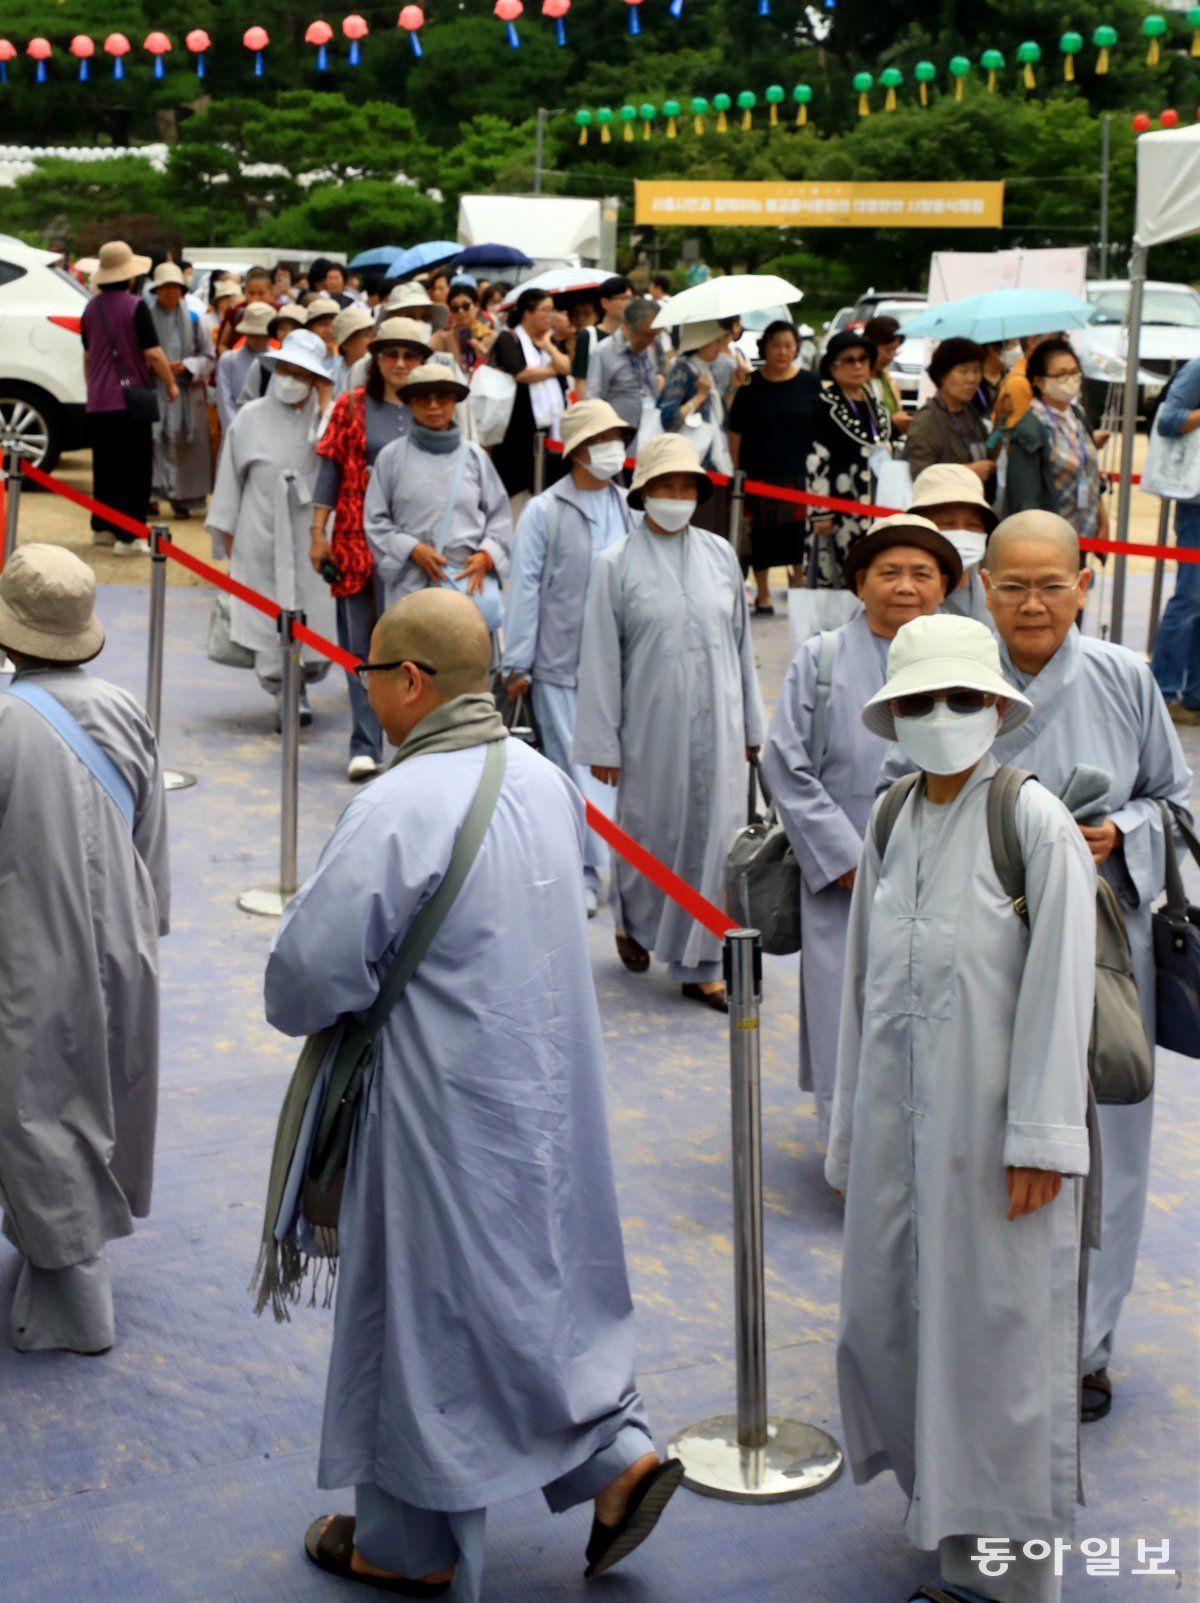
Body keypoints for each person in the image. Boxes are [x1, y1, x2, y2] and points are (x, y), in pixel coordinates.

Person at [264, 589, 682, 1601]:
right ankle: (613, 1456)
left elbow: (308, 977)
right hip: (537, 1092)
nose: (369, 689)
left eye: (374, 673)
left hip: (432, 1104)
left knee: (424, 1310)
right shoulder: (544, 779)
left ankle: (412, 1546)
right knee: (529, 1285)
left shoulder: (399, 801)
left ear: (410, 682)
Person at [881, 510, 1193, 1425]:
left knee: (1105, 1154)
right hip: (975, 962)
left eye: (1052, 584)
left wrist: (1120, 831)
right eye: (1012, 584)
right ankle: (978, 1334)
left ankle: (1085, 1348)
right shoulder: (955, 678)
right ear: (983, 585)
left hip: (1102, 958)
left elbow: (1171, 798)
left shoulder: (1125, 678)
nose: (1032, 603)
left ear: (1085, 583)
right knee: (977, 1142)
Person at [831, 612, 1096, 1603]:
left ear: (997, 706)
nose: (942, 716)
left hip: (998, 1149)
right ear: (893, 714)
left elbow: (1061, 992)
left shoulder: (1031, 823)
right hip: (905, 1139)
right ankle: (951, 1543)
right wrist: (853, 1129)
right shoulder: (893, 817)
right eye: (920, 701)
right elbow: (861, 987)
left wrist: (1039, 1139)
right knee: (894, 1325)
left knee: (997, 1348)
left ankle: (1016, 1583)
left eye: (963, 698)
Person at [0, 545, 169, 1356]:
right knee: (110, 1086)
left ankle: (74, 1299)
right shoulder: (125, 708)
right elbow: (149, 838)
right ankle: (67, 1245)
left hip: (36, 944)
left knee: (40, 1106)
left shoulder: (5, 722)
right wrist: (148, 923)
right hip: (125, 934)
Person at [763, 516, 958, 1144]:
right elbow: (785, 764)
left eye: (922, 575)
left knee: (935, 1014)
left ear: (944, 588)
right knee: (843, 1012)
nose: (906, 587)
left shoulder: (964, 661)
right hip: (842, 880)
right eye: (890, 573)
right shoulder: (820, 659)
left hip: (943, 876)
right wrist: (847, 859)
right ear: (860, 582)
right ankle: (847, 1148)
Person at [573, 435, 764, 1011]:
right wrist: (604, 742)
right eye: (665, 486)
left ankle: (701, 963)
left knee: (715, 841)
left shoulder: (721, 554)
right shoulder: (615, 564)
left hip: (724, 723)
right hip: (651, 727)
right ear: (644, 493)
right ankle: (632, 918)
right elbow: (602, 659)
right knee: (650, 832)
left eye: (687, 487)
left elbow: (742, 646)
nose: (677, 497)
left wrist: (753, 727)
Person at [501, 399, 635, 915]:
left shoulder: (627, 507)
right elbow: (526, 588)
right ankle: (581, 870)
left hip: (619, 667)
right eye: (603, 441)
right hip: (558, 663)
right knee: (571, 771)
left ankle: (615, 868)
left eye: (617, 439)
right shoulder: (544, 511)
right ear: (578, 450)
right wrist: (517, 661)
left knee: (614, 772)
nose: (613, 450)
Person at [312, 317, 433, 779]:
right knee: (359, 645)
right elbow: (330, 470)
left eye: (410, 355)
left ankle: (413, 740)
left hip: (414, 546)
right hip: (354, 542)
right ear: (375, 359)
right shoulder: (351, 406)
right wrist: (317, 531)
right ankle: (364, 742)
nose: (400, 363)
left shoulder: (431, 407)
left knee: (411, 647)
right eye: (391, 354)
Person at [205, 330, 336, 726]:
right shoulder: (249, 417)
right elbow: (229, 478)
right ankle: (283, 689)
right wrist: (226, 531)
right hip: (260, 527)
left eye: (302, 372)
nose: (291, 378)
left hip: (313, 532)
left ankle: (306, 680)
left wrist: (327, 403)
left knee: (316, 607)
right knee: (267, 609)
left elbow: (334, 456)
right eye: (285, 368)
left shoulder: (328, 418)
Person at [363, 364, 512, 627]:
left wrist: (486, 556)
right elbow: (375, 520)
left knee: (465, 659)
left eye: (442, 397)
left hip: (467, 586)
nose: (433, 406)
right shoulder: (391, 457)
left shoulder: (475, 456)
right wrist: (412, 549)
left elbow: (499, 517)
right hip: (410, 586)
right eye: (423, 398)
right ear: (409, 403)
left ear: (454, 402)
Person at [81, 240, 179, 553]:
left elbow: (87, 355)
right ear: (131, 276)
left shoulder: (90, 308)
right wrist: (171, 383)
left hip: (99, 399)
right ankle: (130, 534)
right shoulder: (135, 306)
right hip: (130, 400)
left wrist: (94, 386)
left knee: (106, 466)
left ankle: (103, 528)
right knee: (135, 468)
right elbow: (152, 352)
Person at [727, 320, 823, 612]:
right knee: (762, 534)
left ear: (796, 349)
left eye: (789, 345)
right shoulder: (749, 386)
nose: (782, 351)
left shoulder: (810, 382)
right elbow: (735, 433)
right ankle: (764, 592)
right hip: (760, 471)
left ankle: (798, 584)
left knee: (797, 532)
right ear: (764, 348)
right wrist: (738, 470)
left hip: (799, 469)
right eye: (776, 345)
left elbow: (821, 426)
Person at [805, 331, 892, 588]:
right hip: (842, 508)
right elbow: (815, 460)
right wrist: (821, 512)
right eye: (849, 360)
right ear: (833, 368)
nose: (857, 366)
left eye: (863, 359)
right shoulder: (822, 406)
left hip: (879, 504)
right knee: (844, 575)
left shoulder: (876, 406)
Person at [998, 340, 1107, 544]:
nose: (1070, 379)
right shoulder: (1029, 428)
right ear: (1039, 381)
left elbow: (1088, 472)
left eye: (1074, 372)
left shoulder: (1077, 415)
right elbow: (1026, 498)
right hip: (1047, 540)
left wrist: (1102, 521)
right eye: (1061, 374)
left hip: (1082, 532)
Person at [1148, 356, 1200, 726]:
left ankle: (1194, 696)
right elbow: (1168, 421)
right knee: (1190, 599)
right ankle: (1162, 692)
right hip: (1197, 506)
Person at [489, 289, 570, 513]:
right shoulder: (509, 338)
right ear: (527, 312)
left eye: (552, 310)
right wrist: (552, 370)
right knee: (517, 491)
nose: (550, 316)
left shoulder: (549, 339)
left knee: (547, 488)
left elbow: (566, 366)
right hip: (518, 430)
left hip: (550, 428)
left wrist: (549, 348)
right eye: (545, 310)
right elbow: (520, 373)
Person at [147, 262, 214, 519]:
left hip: (186, 389)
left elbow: (208, 356)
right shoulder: (147, 318)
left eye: (175, 288)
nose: (170, 293)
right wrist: (159, 367)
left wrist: (185, 367)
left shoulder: (195, 320)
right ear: (157, 291)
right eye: (165, 288)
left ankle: (184, 499)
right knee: (155, 441)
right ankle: (152, 495)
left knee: (186, 440)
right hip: (156, 387)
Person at [909, 462, 998, 629]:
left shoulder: (994, 594)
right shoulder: (900, 599)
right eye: (947, 523)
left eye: (973, 525)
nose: (961, 533)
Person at [903, 337, 994, 484]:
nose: (972, 379)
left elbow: (987, 453)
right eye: (962, 371)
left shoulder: (969, 411)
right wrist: (968, 472)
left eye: (976, 370)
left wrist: (1003, 419)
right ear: (941, 374)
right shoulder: (927, 420)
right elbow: (921, 476)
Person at [585, 298, 660, 432]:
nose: (648, 341)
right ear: (626, 326)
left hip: (649, 429)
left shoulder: (649, 350)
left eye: (654, 335)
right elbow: (593, 399)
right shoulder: (603, 352)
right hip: (618, 434)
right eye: (645, 335)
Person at [572, 275, 634, 401]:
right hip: (598, 410)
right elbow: (581, 380)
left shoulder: (633, 337)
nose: (629, 303)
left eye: (631, 298)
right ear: (605, 303)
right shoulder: (588, 335)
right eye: (623, 298)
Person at [214, 302, 274, 432]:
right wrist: (235, 430)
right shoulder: (229, 360)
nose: (258, 340)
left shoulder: (277, 360)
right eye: (253, 335)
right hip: (236, 425)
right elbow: (225, 400)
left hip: (270, 427)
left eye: (262, 336)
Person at [863, 314, 911, 435]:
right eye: (887, 349)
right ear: (870, 345)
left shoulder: (889, 381)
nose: (891, 356)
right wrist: (891, 422)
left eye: (895, 350)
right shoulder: (855, 382)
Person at [437, 280, 495, 375]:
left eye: (465, 306)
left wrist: (484, 355)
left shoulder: (490, 336)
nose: (461, 311)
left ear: (476, 306)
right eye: (455, 308)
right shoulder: (443, 336)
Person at [329, 305, 375, 398]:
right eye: (366, 335)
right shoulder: (332, 380)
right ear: (346, 344)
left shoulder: (383, 371)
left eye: (373, 335)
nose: (373, 341)